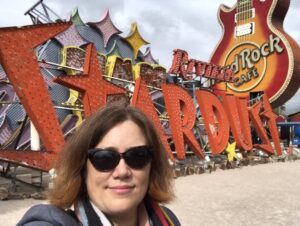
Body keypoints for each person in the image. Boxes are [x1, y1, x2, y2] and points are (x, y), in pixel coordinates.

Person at [17, 105, 180, 226]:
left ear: (152, 165)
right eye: (105, 158)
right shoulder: (50, 223)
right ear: (82, 169)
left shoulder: (168, 220)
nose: (122, 172)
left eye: (137, 156)